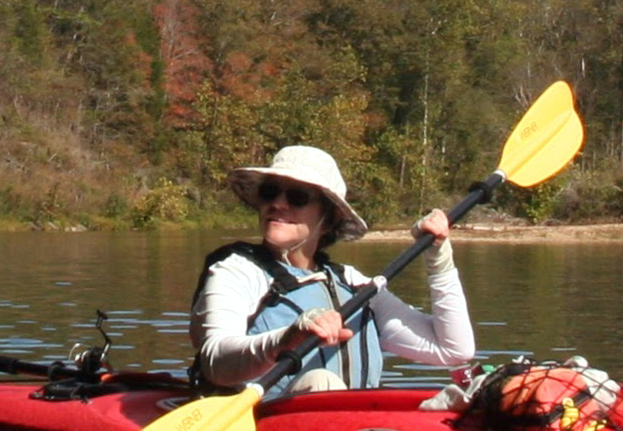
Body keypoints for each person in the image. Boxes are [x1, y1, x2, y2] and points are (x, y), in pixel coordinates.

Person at [191, 145, 475, 397]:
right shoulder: (237, 271)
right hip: (266, 429)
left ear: (329, 219)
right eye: (269, 192)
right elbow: (216, 363)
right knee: (321, 381)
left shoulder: (355, 285)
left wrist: (438, 257)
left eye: (298, 196)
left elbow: (453, 349)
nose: (278, 203)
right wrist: (287, 339)